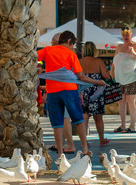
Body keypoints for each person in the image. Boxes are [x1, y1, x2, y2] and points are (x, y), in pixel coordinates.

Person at [37, 31, 106, 159]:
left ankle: (60, 155)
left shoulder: (47, 50)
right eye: (72, 45)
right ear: (69, 42)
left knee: (57, 124)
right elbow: (80, 76)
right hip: (69, 90)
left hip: (52, 91)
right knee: (78, 120)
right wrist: (97, 82)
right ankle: (85, 150)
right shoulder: (71, 54)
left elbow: (32, 57)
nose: (72, 47)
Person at [38, 32, 76, 153]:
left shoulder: (66, 54)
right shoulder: (58, 53)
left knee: (64, 118)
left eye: (55, 42)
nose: (54, 45)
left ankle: (69, 145)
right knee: (63, 118)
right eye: (53, 43)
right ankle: (63, 144)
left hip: (64, 90)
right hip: (57, 90)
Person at [110, 26, 136, 133]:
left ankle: (132, 126)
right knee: (121, 102)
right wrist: (112, 72)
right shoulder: (119, 47)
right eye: (123, 34)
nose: (125, 36)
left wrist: (133, 52)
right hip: (120, 79)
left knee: (131, 102)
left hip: (132, 78)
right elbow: (114, 61)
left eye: (127, 34)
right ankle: (123, 125)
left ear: (131, 34)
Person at [79, 41, 111, 146]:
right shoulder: (98, 61)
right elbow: (107, 76)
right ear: (94, 50)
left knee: (85, 117)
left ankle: (84, 141)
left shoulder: (79, 62)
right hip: (97, 91)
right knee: (98, 118)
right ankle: (101, 139)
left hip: (83, 90)